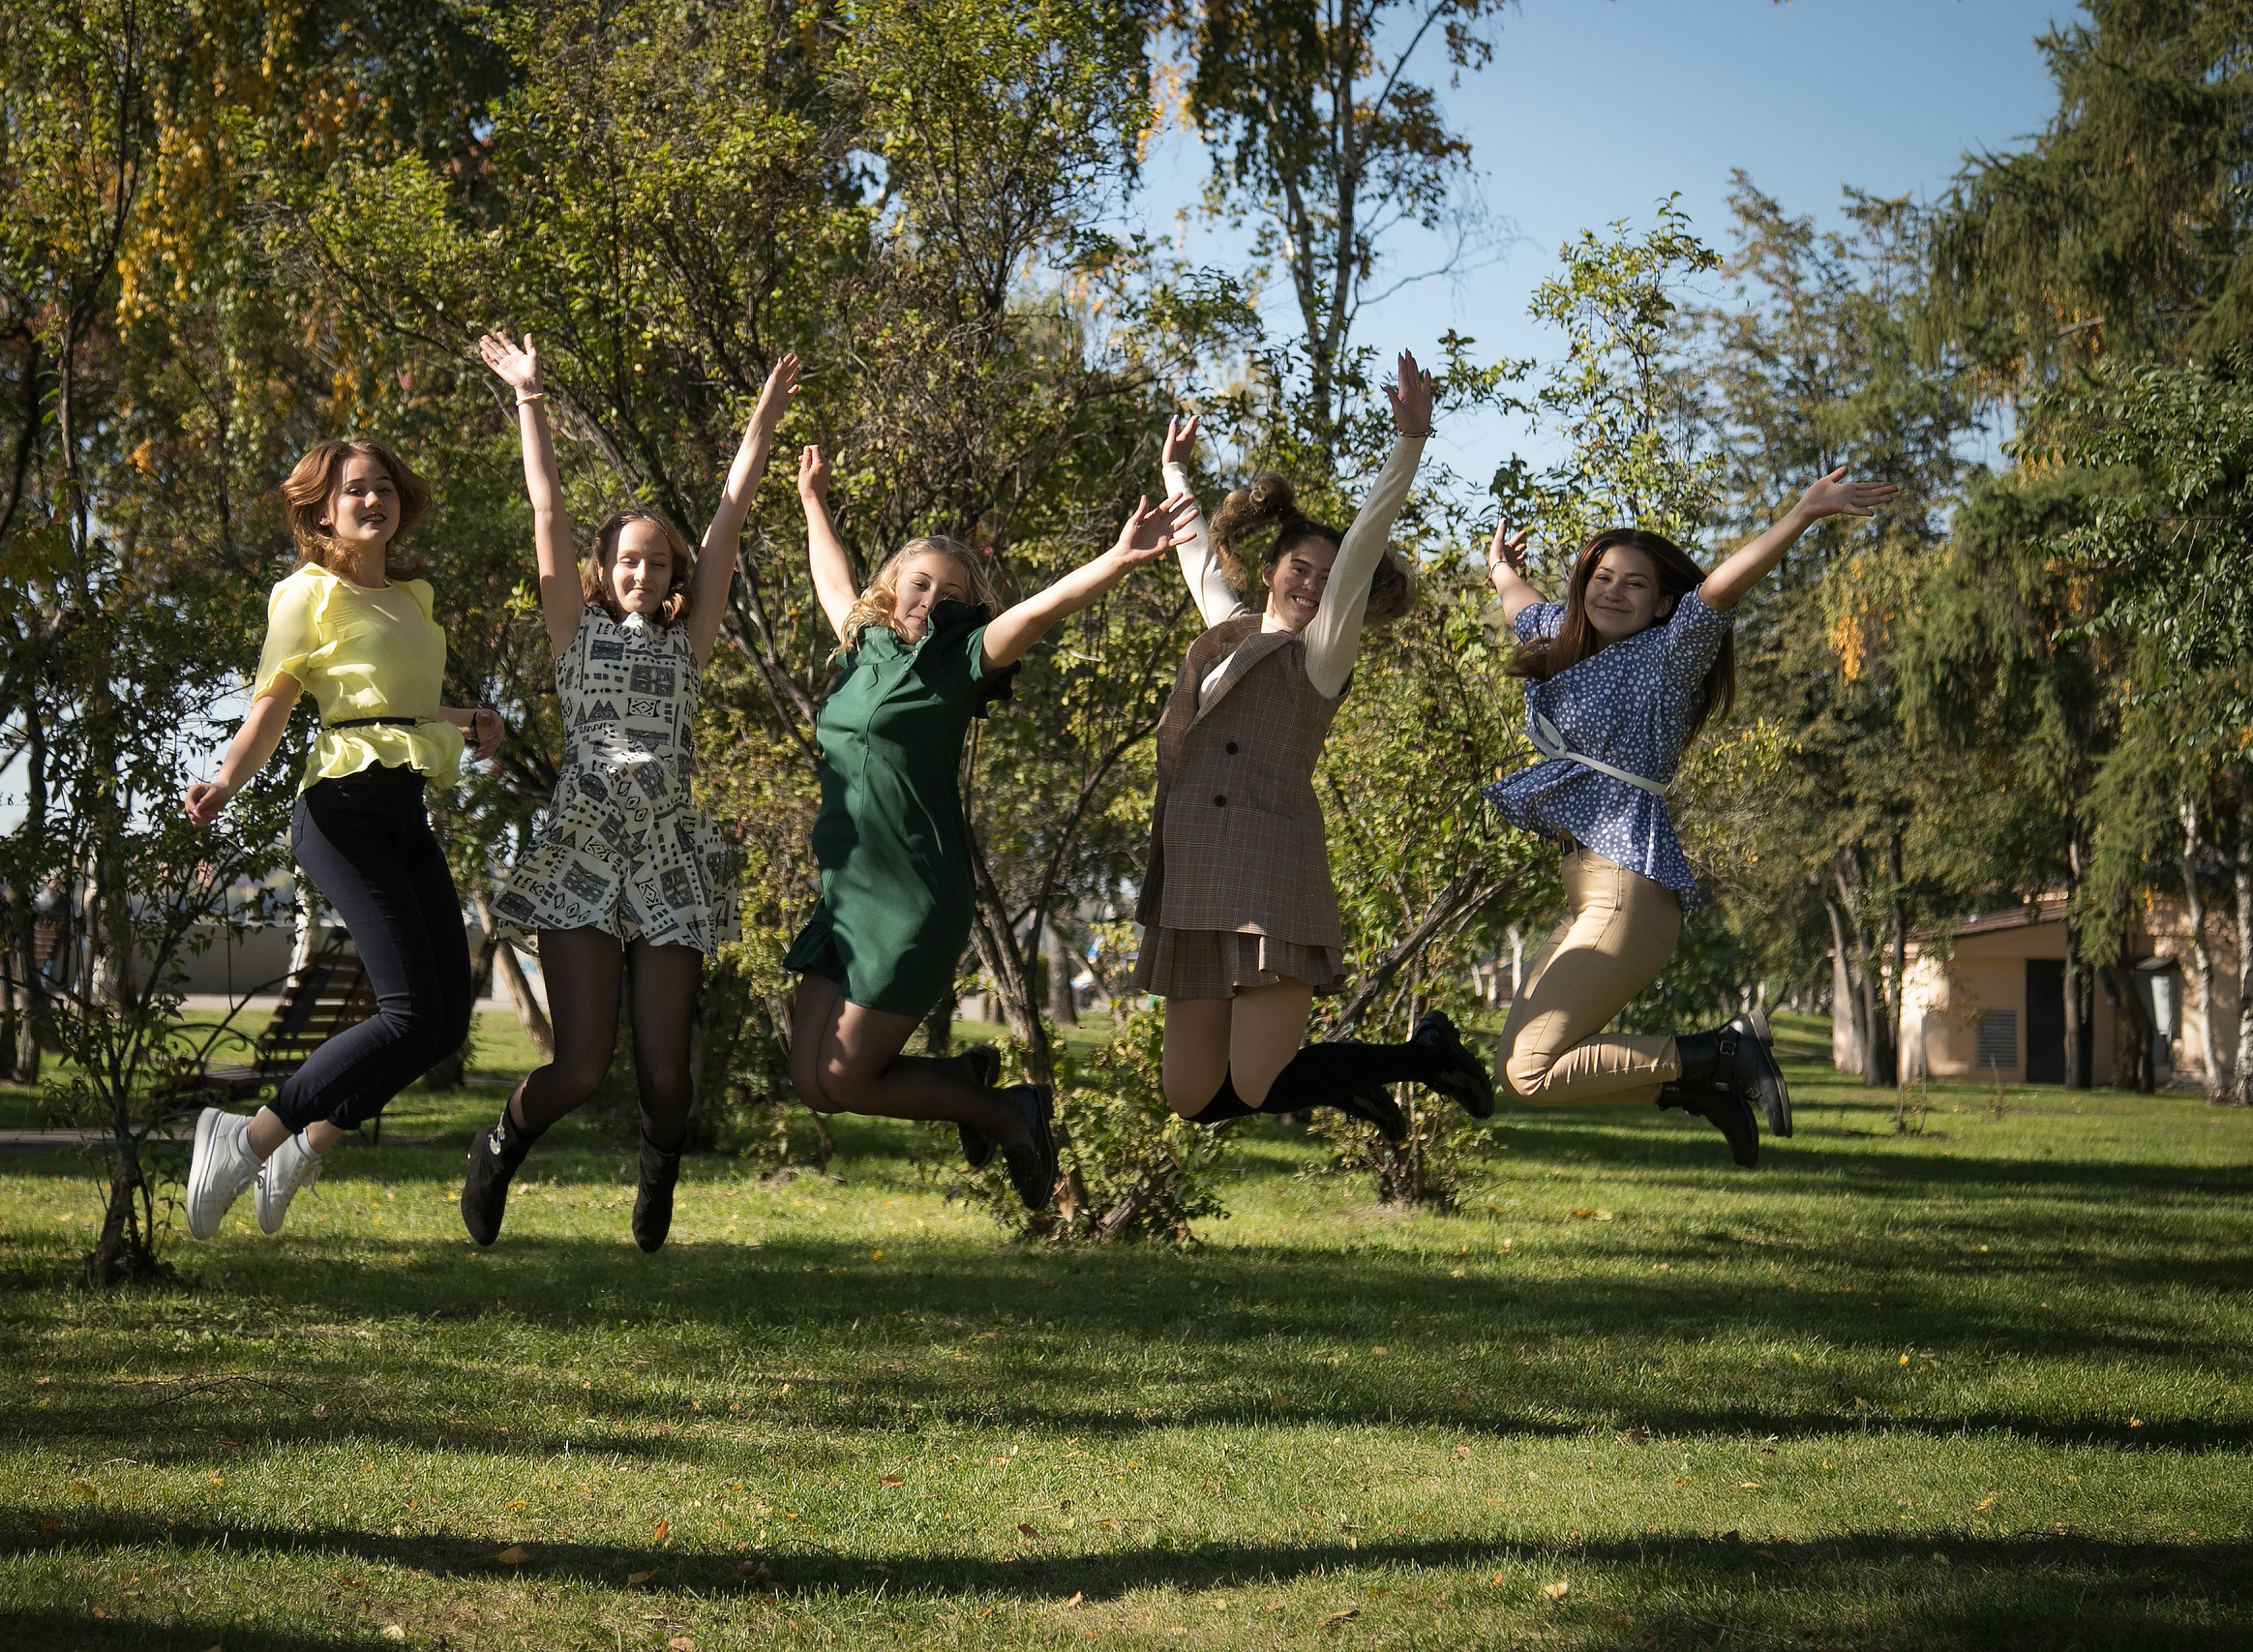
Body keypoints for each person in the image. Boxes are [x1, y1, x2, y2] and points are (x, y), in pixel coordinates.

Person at [784, 445, 1196, 1210]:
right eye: (919, 582)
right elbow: (832, 577)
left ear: (966, 609)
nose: (930, 598)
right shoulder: (863, 644)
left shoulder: (959, 661)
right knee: (814, 1083)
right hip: (845, 893)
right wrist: (813, 499)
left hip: (912, 897)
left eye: (951, 592)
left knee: (843, 1074)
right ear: (891, 587)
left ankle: (1008, 1112)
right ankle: (964, 1081)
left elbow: (1040, 609)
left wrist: (1116, 560)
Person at [460, 334, 798, 1251]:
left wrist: (763, 421)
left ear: (675, 576)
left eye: (656, 561)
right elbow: (547, 509)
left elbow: (729, 514)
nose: (641, 572)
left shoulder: (691, 642)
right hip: (582, 843)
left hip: (668, 853)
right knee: (577, 1068)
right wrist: (529, 396)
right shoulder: (573, 633)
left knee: (664, 1075)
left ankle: (659, 1162)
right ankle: (499, 1146)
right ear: (604, 571)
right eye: (625, 560)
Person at [1481, 466, 1898, 1163]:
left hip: (1625, 889)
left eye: (1634, 584)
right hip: (1589, 891)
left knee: (1532, 1069)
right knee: (1514, 1068)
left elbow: (1720, 590)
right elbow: (1519, 604)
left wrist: (1801, 515)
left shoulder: (1669, 655)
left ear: (1663, 604)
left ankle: (1723, 1052)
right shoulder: (1562, 638)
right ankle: (1701, 1083)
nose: (1613, 591)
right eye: (1602, 578)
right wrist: (1499, 567)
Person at [1136, 350, 1495, 1142]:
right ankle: (1354, 1081)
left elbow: (1363, 544)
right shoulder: (1230, 632)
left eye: (1328, 580)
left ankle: (1422, 1057)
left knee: (1260, 1079)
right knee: (1191, 1093)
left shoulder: (1321, 656)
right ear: (1270, 570)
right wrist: (1173, 471)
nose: (1313, 584)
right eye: (1301, 568)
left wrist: (1409, 444)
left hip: (1269, 866)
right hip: (1195, 868)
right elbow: (1194, 554)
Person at [181, 440, 504, 1238]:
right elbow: (272, 707)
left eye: (384, 486)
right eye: (354, 489)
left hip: (403, 808)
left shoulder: (412, 598)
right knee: (407, 1013)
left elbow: (397, 706)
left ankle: (303, 1146)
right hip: (341, 812)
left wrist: (468, 719)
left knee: (444, 1021)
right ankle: (245, 1138)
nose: (373, 499)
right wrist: (224, 783)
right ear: (323, 512)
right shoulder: (306, 593)